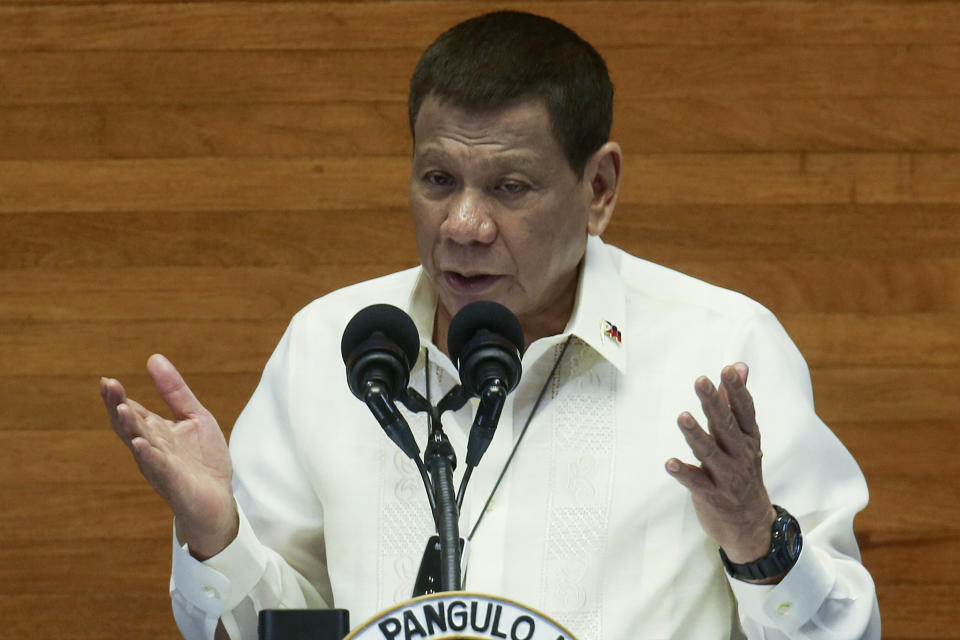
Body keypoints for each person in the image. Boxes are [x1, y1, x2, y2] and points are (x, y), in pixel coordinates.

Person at [101, 11, 880, 640]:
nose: (463, 225)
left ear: (599, 186)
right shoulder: (331, 347)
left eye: (510, 186)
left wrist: (758, 538)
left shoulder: (720, 349)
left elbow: (847, 633)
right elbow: (273, 629)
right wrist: (220, 536)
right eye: (439, 180)